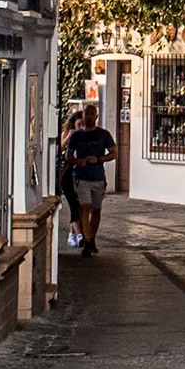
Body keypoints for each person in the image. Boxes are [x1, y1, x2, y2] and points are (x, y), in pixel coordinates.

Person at [66, 104, 118, 258]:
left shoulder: (103, 135)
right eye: (86, 114)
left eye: (92, 114)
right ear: (83, 116)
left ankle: (92, 238)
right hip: (81, 177)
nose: (89, 117)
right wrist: (77, 161)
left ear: (96, 117)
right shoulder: (76, 136)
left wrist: (99, 159)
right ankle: (87, 241)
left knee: (96, 209)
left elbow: (114, 153)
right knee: (84, 207)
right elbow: (68, 155)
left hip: (98, 177)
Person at [58, 108, 86, 248]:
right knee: (74, 204)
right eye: (79, 125)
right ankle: (79, 235)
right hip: (68, 174)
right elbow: (59, 149)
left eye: (83, 125)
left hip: (82, 173)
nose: (81, 127)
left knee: (79, 205)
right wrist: (68, 137)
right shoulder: (67, 133)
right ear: (73, 124)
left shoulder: (87, 135)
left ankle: (71, 234)